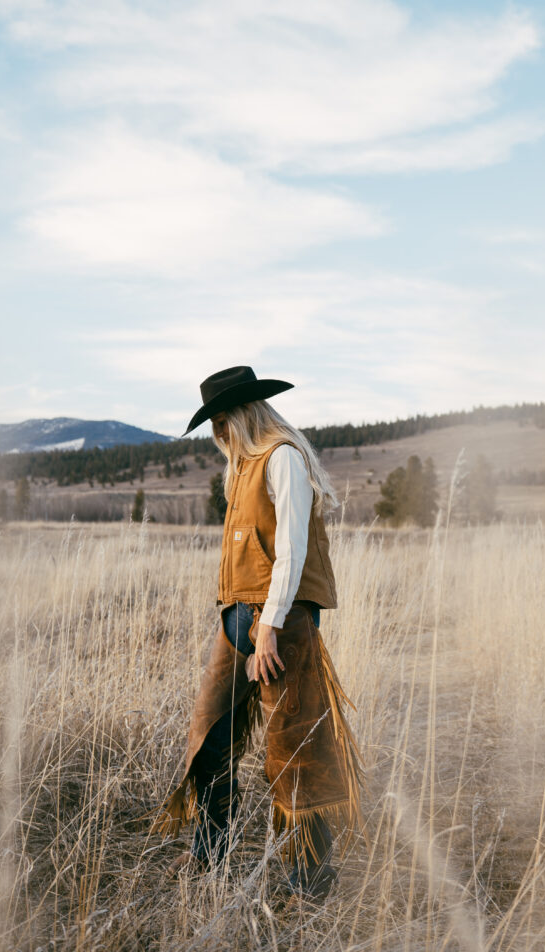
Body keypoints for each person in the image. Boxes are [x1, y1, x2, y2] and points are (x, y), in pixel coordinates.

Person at [151, 365, 362, 899]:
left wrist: (267, 628)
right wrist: (239, 623)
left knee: (293, 750)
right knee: (210, 738)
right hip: (236, 626)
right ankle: (210, 854)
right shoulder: (241, 470)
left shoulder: (283, 458)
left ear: (245, 416)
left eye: (223, 423)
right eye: (214, 427)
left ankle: (309, 879)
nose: (219, 436)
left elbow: (290, 552)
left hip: (281, 628)